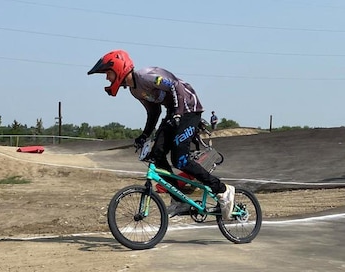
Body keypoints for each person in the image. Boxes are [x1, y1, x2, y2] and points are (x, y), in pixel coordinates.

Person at [87, 49, 235, 219]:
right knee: (157, 156)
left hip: (189, 110)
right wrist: (144, 135)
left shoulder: (146, 76)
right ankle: (180, 200)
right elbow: (153, 112)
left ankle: (222, 190)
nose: (107, 79)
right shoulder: (135, 91)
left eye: (108, 73)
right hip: (173, 113)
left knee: (180, 159)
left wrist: (178, 114)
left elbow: (175, 86)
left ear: (118, 68)